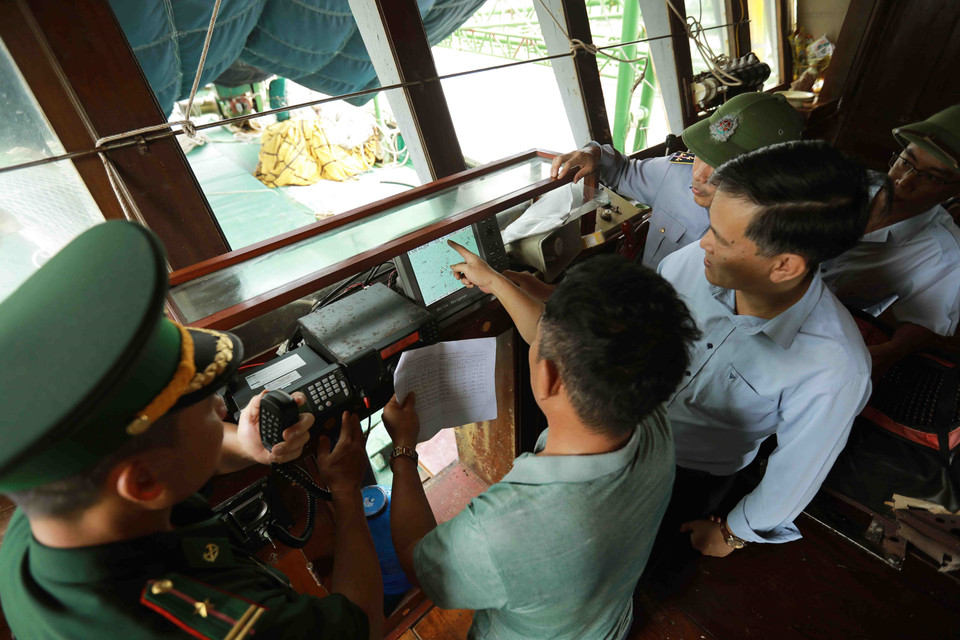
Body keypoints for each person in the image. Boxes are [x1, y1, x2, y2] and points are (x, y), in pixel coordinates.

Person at [0, 221, 382, 640]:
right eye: (204, 410)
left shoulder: (48, 517)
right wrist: (345, 490)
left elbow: (169, 458)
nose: (221, 407)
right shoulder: (225, 623)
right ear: (144, 482)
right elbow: (362, 626)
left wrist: (248, 447)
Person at [384, 252, 699, 639]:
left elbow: (418, 563)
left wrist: (403, 449)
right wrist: (498, 283)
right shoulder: (651, 414)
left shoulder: (502, 530)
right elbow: (552, 343)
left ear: (548, 377)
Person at [656, 140, 874, 557]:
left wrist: (733, 532)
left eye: (720, 237)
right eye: (709, 226)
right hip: (624, 421)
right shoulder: (691, 265)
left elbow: (796, 472)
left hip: (689, 474)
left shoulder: (834, 367)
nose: (703, 243)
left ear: (785, 266)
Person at [550, 91, 803, 269]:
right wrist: (593, 153)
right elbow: (622, 172)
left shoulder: (782, 238)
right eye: (700, 154)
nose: (699, 173)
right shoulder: (676, 173)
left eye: (723, 167)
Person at [820, 105, 960, 377]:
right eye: (906, 162)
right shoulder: (840, 183)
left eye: (931, 177)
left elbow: (927, 322)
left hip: (825, 331)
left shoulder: (945, 255)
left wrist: (891, 351)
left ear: (955, 190)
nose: (905, 181)